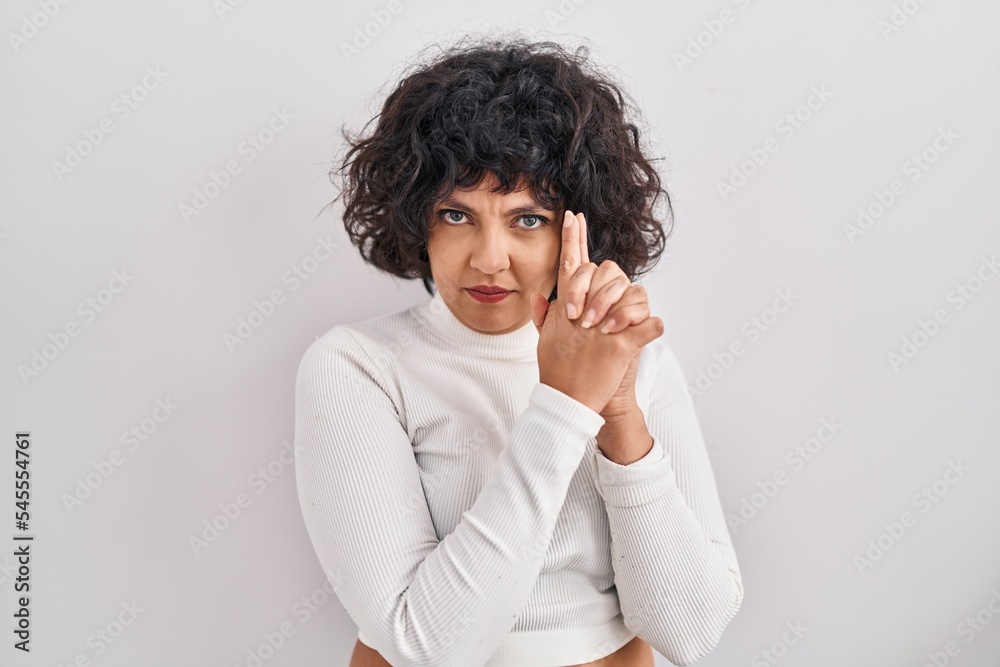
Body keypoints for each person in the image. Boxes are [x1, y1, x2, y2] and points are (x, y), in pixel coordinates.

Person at [294, 34, 744, 667]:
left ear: (577, 230)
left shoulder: (634, 361)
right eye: (456, 215)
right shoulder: (358, 367)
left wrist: (617, 413)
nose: (488, 259)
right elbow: (427, 646)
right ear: (415, 215)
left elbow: (689, 630)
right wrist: (563, 403)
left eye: (528, 219)